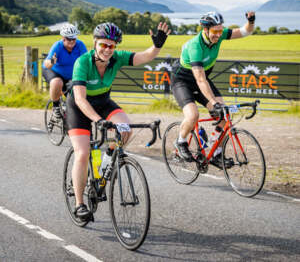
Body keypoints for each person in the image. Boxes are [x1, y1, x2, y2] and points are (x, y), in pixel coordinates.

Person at [66, 22, 171, 219]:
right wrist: (98, 120)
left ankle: (108, 159)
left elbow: (145, 57)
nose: (107, 50)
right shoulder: (83, 62)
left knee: (125, 130)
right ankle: (80, 204)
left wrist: (157, 46)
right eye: (103, 45)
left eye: (111, 46)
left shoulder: (117, 58)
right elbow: (80, 99)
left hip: (103, 101)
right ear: (95, 43)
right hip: (79, 107)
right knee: (82, 152)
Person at [171, 11, 256, 167]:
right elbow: (200, 79)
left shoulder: (220, 34)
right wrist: (212, 102)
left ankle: (214, 151)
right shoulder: (195, 46)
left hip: (201, 80)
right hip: (182, 81)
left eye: (220, 30)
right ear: (205, 29)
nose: (219, 34)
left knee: (225, 115)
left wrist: (251, 21)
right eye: (215, 31)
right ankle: (180, 141)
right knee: (193, 115)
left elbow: (245, 31)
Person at [42, 23, 87, 118]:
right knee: (57, 82)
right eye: (69, 39)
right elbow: (47, 64)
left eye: (74, 38)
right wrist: (52, 61)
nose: (72, 41)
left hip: (71, 75)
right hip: (54, 71)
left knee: (77, 93)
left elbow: (86, 61)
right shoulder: (57, 46)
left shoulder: (80, 45)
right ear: (63, 38)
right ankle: (55, 107)